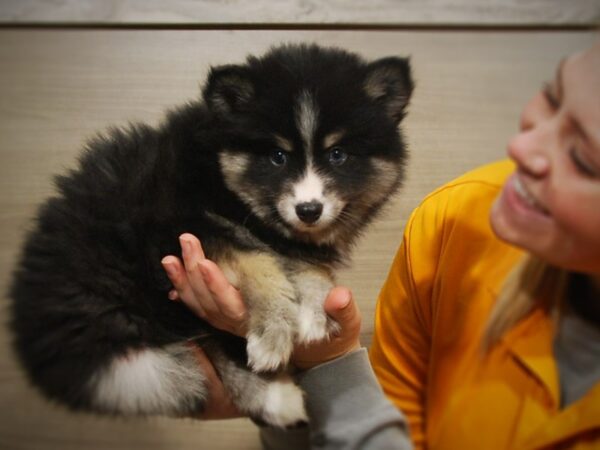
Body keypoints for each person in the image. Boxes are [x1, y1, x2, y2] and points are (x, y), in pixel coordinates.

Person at [161, 42, 600, 449]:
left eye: (582, 157)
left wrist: (329, 365)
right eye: (551, 97)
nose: (522, 146)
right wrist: (293, 390)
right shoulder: (454, 221)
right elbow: (376, 424)